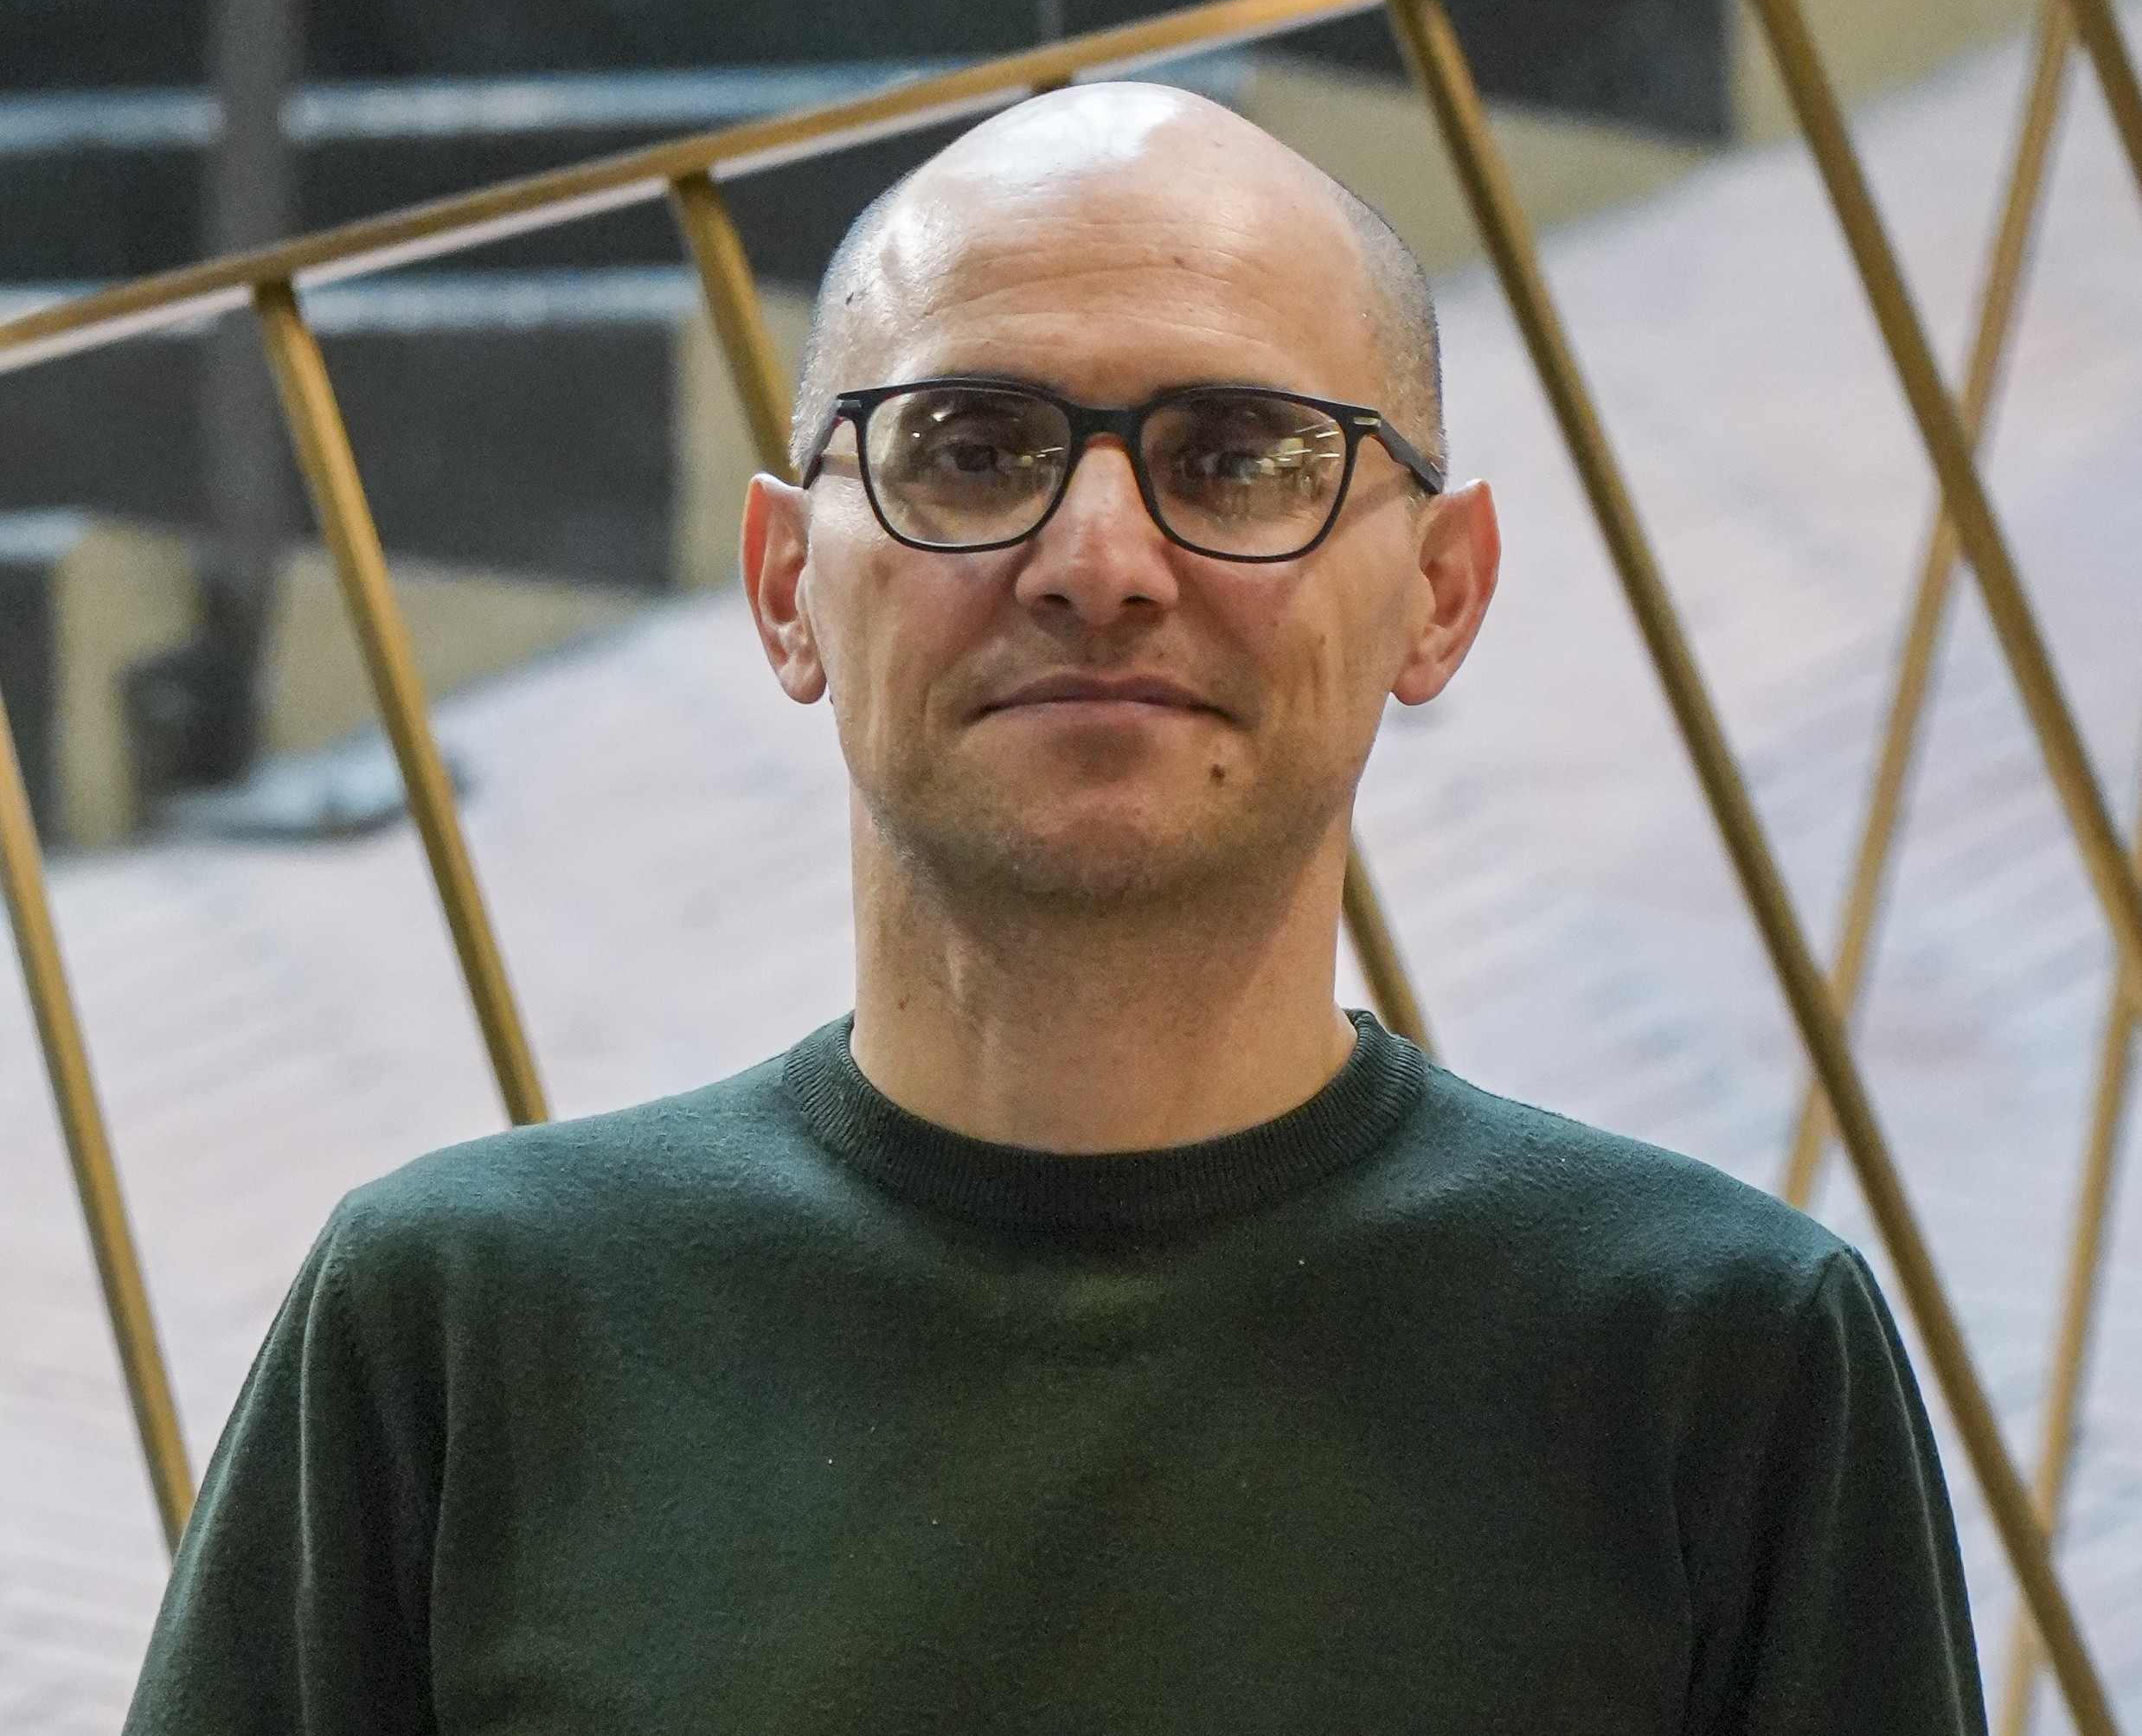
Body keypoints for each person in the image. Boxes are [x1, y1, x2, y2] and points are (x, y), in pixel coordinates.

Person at [125, 84, 1986, 1735]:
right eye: (968, 446)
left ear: (1439, 591)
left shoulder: (1712, 1357)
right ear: (783, 583)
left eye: (1239, 457)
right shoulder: (459, 1329)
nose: (1098, 562)